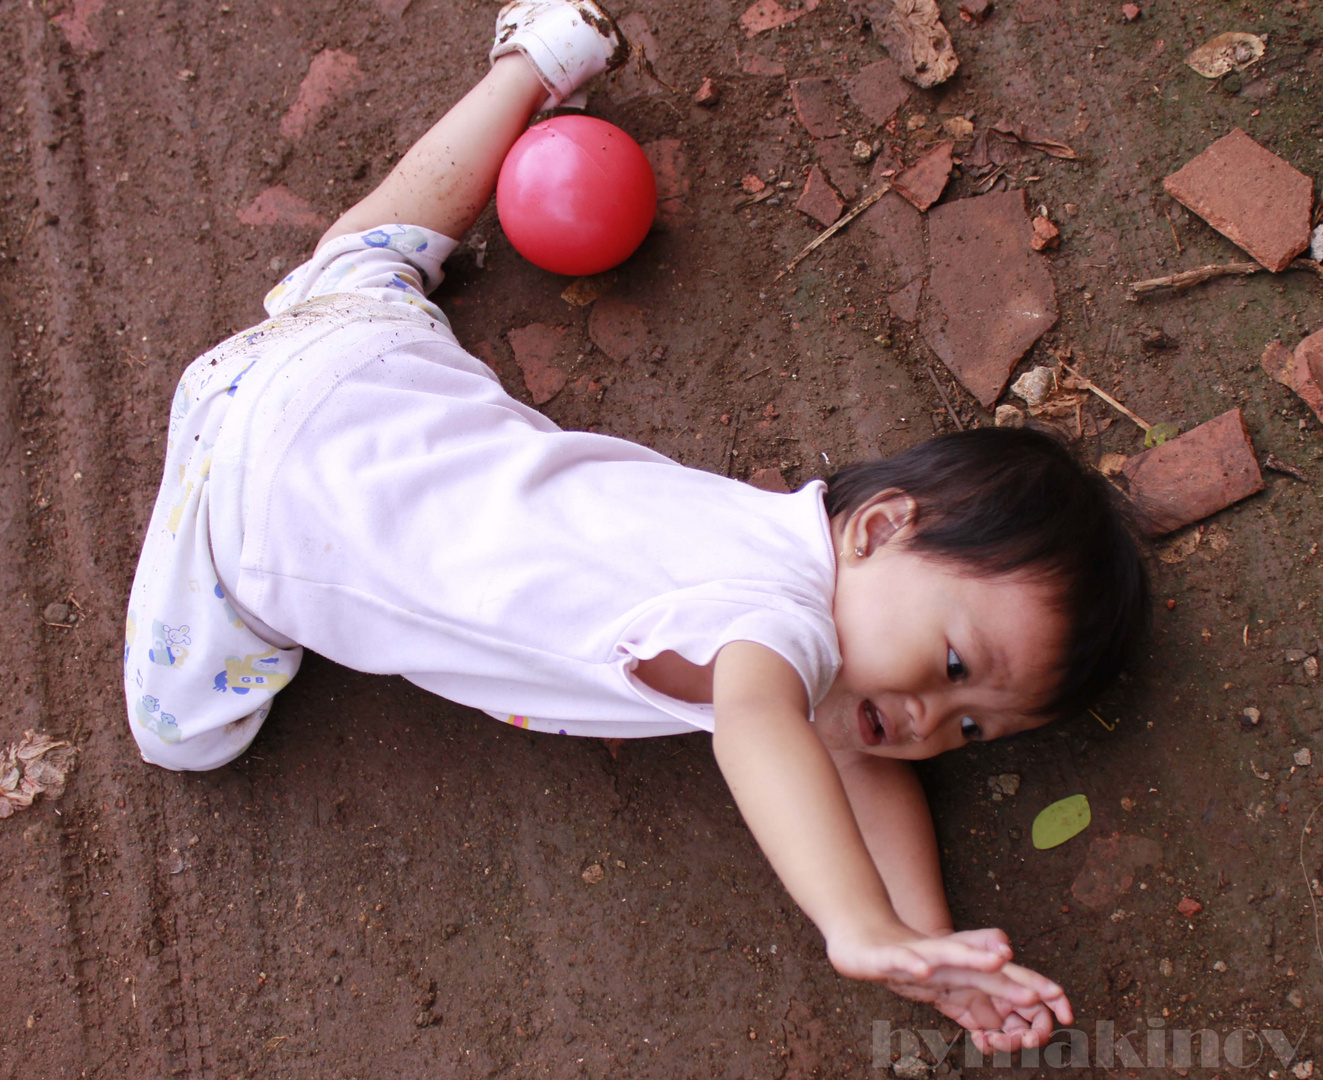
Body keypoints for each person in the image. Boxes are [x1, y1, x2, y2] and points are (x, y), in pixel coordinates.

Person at [122, 0, 1149, 1053]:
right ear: (879, 530)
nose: (932, 719)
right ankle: (215, 502)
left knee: (370, 260)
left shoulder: (788, 564)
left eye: (973, 726)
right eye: (950, 664)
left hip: (364, 361)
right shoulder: (775, 627)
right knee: (187, 736)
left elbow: (854, 765)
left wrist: (927, 943)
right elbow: (763, 729)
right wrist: (855, 923)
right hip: (262, 496)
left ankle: (533, 65)